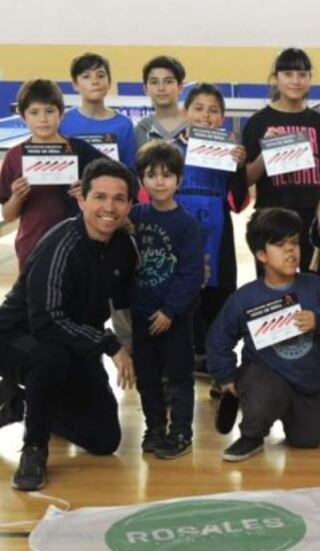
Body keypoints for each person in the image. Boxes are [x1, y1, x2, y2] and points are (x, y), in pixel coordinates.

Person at [0, 159, 139, 491]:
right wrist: (110, 345)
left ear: (130, 204)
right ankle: (34, 449)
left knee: (104, 439)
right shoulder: (60, 245)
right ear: (82, 200)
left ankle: (22, 403)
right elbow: (46, 322)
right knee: (49, 358)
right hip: (18, 337)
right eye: (100, 197)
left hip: (73, 341)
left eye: (119, 199)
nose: (109, 207)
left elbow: (126, 305)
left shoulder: (123, 248)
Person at [207, 207, 320, 462]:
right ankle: (251, 433)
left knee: (310, 439)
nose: (291, 250)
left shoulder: (316, 287)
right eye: (280, 245)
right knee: (263, 392)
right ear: (261, 254)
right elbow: (218, 339)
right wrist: (225, 378)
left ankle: (298, 409)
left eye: (294, 242)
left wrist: (319, 318)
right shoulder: (244, 298)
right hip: (265, 376)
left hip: (309, 381)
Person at [129, 141, 203, 459]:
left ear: (179, 180)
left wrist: (170, 311)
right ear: (141, 180)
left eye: (167, 175)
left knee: (179, 377)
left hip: (174, 318)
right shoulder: (133, 217)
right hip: (141, 316)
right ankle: (155, 427)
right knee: (147, 378)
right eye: (152, 175)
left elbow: (190, 275)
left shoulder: (188, 225)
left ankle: (181, 431)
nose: (160, 181)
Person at [174, 84, 249, 379]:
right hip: (181, 238)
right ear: (185, 112)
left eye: (214, 110)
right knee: (183, 296)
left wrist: (240, 167)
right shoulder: (170, 150)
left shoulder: (229, 153)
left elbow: (238, 202)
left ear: (223, 118)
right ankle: (185, 358)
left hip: (217, 239)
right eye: (199, 108)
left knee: (217, 298)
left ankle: (216, 360)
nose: (206, 116)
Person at [243, 48, 320, 274]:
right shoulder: (258, 122)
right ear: (275, 78)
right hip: (270, 219)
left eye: (302, 75)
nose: (296, 81)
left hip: (310, 218)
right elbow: (246, 178)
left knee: (311, 285)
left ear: (310, 79)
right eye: (288, 74)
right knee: (273, 290)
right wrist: (265, 153)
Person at [0, 79, 105, 269]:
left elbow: (113, 185)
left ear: (61, 114)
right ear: (23, 117)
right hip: (32, 247)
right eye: (34, 112)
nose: (43, 119)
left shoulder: (81, 151)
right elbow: (8, 216)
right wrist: (17, 197)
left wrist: (90, 190)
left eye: (49, 111)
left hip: (78, 247)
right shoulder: (14, 156)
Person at [59, 52, 137, 170]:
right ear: (75, 84)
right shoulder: (62, 121)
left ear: (109, 82)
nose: (95, 81)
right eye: (86, 76)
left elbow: (130, 171)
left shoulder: (124, 125)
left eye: (100, 76)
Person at [134, 55, 187, 148]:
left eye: (168, 81)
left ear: (180, 87)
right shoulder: (140, 130)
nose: (161, 88)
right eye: (154, 82)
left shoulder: (193, 126)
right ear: (145, 88)